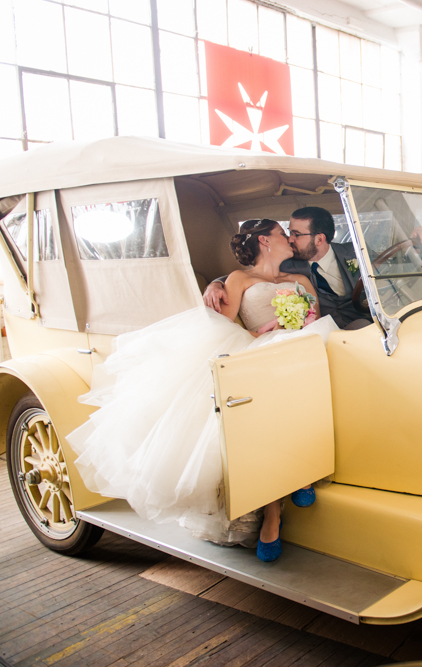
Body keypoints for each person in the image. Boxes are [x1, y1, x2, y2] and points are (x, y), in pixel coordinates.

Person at [67, 219, 338, 563]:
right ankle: (273, 512)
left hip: (300, 350)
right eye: (281, 234)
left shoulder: (300, 279)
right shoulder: (238, 280)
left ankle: (303, 472)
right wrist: (257, 324)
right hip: (258, 353)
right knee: (265, 409)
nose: (288, 238)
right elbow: (221, 324)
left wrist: (296, 323)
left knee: (307, 383)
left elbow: (314, 315)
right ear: (264, 242)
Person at [205, 207, 368, 329]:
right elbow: (240, 280)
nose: (290, 239)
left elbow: (389, 266)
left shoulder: (357, 252)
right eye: (286, 234)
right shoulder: (289, 265)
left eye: (296, 234)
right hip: (265, 343)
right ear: (265, 241)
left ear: (319, 239)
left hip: (355, 326)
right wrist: (215, 284)